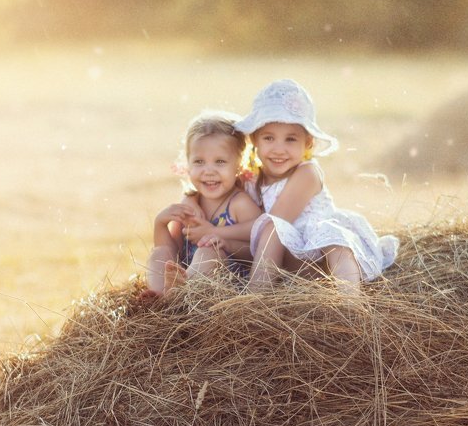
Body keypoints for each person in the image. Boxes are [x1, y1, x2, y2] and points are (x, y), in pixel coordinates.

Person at [234, 79, 399, 292]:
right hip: (290, 261)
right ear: (255, 139)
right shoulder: (252, 180)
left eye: (290, 139)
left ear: (308, 142)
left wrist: (217, 232)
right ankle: (254, 299)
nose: (279, 149)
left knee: (333, 238)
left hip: (322, 258)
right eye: (269, 138)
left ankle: (351, 303)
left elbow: (277, 218)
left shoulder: (307, 173)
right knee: (269, 231)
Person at [146, 111, 261, 295]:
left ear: (239, 166)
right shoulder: (189, 203)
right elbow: (172, 249)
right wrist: (160, 223)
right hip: (184, 276)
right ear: (188, 165)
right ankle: (160, 298)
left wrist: (224, 241)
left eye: (220, 162)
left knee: (208, 252)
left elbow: (257, 247)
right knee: (159, 254)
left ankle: (181, 294)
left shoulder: (239, 203)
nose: (209, 171)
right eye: (199, 162)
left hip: (223, 283)